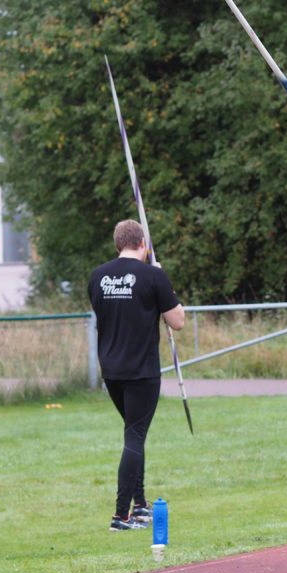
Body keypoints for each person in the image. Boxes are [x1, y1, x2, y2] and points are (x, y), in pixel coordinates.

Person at [87, 219, 186, 531]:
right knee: (134, 436)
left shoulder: (98, 276)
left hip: (111, 370)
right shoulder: (153, 275)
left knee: (134, 433)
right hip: (141, 370)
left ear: (118, 244)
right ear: (143, 243)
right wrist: (164, 285)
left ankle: (140, 504)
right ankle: (121, 515)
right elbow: (178, 321)